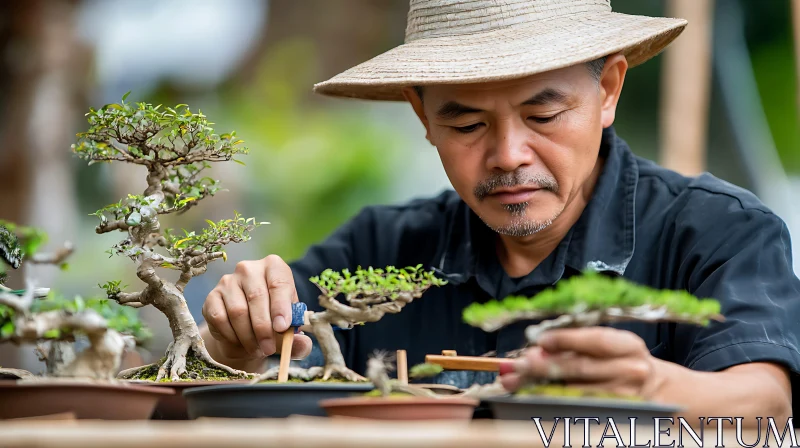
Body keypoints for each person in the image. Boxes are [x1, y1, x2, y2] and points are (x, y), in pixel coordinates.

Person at [199, 0, 800, 420]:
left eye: (543, 116)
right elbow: (231, 356)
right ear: (421, 115)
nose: (508, 156)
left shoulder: (717, 232)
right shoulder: (378, 250)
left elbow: (764, 401)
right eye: (466, 122)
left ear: (609, 90)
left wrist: (652, 385)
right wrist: (236, 339)